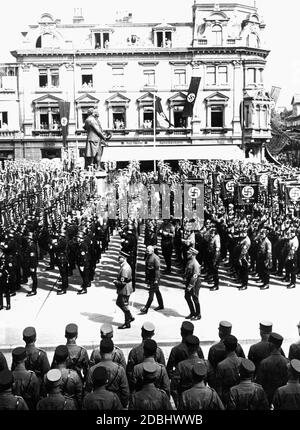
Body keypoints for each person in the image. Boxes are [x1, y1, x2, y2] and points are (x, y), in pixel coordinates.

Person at [85, 338, 129, 409]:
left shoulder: (92, 369)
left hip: (96, 403)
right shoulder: (120, 369)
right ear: (112, 351)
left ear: (100, 352)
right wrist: (123, 405)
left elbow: (87, 390)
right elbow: (125, 391)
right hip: (115, 403)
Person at [171, 335, 207, 406]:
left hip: (186, 402)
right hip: (204, 399)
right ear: (198, 347)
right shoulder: (206, 364)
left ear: (186, 348)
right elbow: (214, 383)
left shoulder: (181, 366)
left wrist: (178, 404)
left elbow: (173, 388)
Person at [256, 332, 289, 405]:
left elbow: (259, 383)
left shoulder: (264, 363)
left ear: (271, 344)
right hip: (283, 399)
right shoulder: (287, 362)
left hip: (268, 399)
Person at [51, 345, 83, 409]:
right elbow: (79, 395)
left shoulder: (48, 375)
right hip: (71, 406)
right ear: (67, 358)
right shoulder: (74, 375)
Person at [215, 334, 242, 407]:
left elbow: (219, 388)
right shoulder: (243, 362)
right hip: (241, 396)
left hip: (227, 398)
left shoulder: (221, 365)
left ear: (225, 347)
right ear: (236, 346)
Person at [114, 251, 134, 329]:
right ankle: (129, 318)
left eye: (120, 257)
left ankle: (128, 321)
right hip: (125, 288)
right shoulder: (124, 265)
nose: (118, 258)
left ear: (124, 258)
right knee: (120, 303)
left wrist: (115, 282)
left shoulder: (125, 268)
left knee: (123, 305)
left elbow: (123, 282)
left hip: (125, 289)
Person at [140, 245, 164, 314]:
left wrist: (156, 279)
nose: (146, 252)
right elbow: (147, 268)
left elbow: (157, 270)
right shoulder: (148, 256)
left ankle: (146, 308)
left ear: (152, 251)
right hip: (150, 277)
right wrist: (147, 279)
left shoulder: (156, 258)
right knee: (157, 291)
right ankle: (161, 305)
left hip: (154, 277)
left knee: (151, 293)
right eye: (146, 250)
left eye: (148, 251)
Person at [184, 247, 201, 320]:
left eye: (189, 253)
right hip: (189, 280)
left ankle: (198, 314)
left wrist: (190, 286)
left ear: (193, 255)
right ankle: (192, 313)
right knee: (187, 296)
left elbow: (195, 276)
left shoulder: (195, 263)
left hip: (194, 282)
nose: (187, 254)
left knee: (195, 298)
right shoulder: (190, 261)